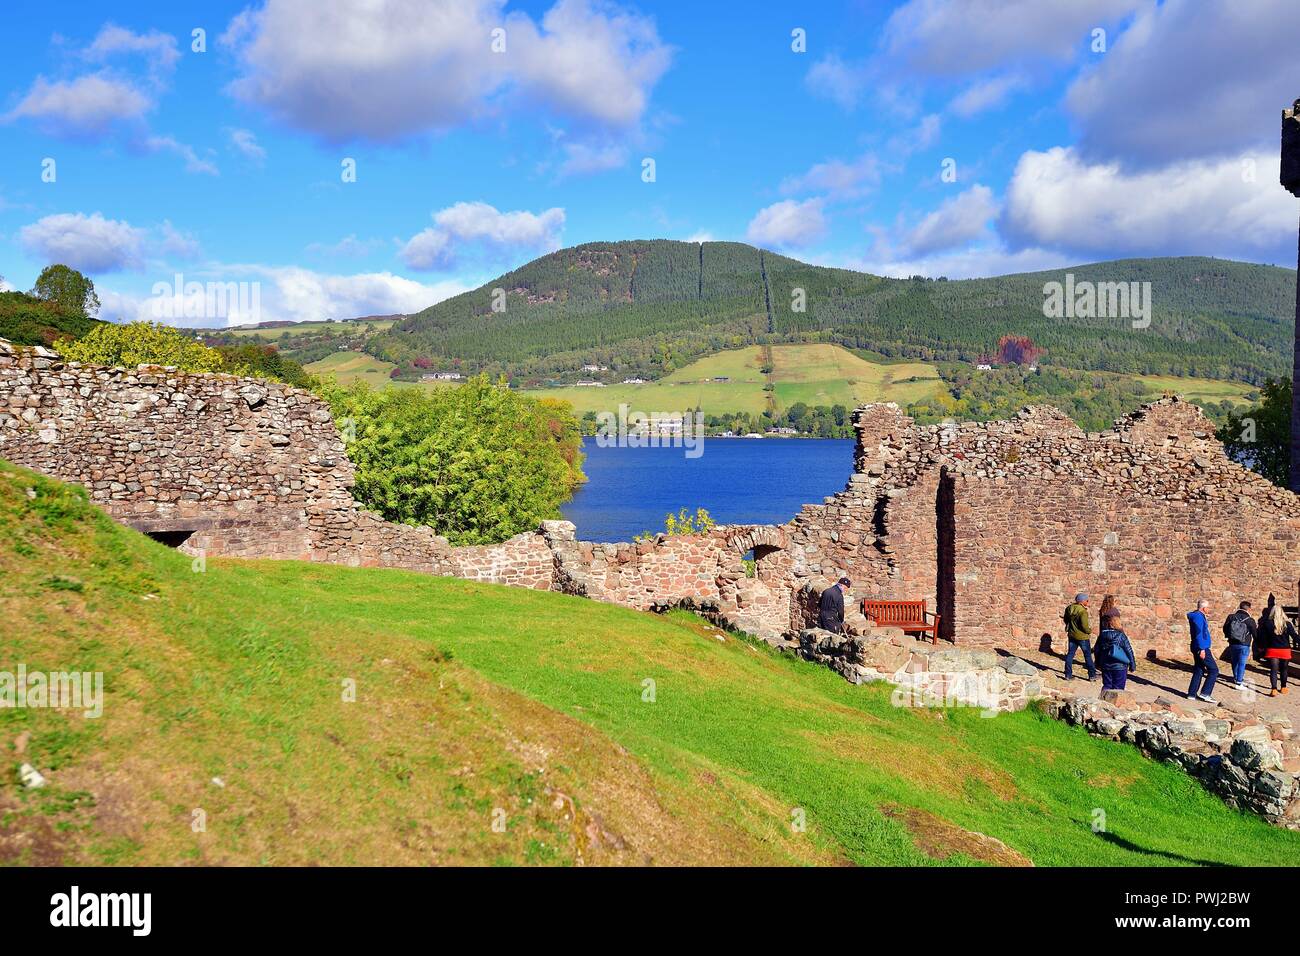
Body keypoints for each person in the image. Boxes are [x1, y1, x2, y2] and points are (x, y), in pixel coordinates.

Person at [1257, 595, 1299, 697]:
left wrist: (1261, 646)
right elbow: (1295, 636)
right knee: (1284, 669)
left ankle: (1274, 689)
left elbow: (1263, 637)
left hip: (1272, 649)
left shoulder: (1267, 623)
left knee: (1274, 670)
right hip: (1285, 650)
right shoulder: (1287, 624)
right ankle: (1283, 687)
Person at [1093, 611, 1137, 691]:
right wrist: (1132, 664)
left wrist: (1097, 662)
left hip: (1106, 664)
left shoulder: (1102, 635)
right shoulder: (1121, 636)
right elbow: (1128, 650)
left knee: (1107, 686)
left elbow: (1097, 650)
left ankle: (1104, 702)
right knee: (1118, 688)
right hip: (1119, 665)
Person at [1186, 598, 1219, 703]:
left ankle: (1192, 694)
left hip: (1199, 646)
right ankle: (1206, 693)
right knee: (1214, 670)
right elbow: (1199, 634)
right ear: (1204, 608)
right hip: (1201, 647)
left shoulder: (1199, 616)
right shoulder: (1198, 618)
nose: (1209, 609)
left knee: (1199, 669)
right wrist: (1202, 649)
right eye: (1208, 607)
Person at [1221, 600, 1256, 689]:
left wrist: (1229, 637)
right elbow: (1255, 633)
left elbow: (1225, 628)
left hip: (1232, 643)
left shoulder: (1231, 617)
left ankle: (1236, 678)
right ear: (1249, 609)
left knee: (1235, 662)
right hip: (1244, 644)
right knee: (1242, 663)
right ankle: (1239, 683)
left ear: (1240, 607)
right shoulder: (1250, 620)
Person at [1063, 592, 1096, 681]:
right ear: (1082, 601)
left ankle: (1068, 675)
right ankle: (1092, 675)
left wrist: (1072, 627)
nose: (1088, 602)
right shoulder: (1082, 611)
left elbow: (1066, 620)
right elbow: (1084, 626)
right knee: (1088, 656)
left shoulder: (1069, 608)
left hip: (1072, 635)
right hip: (1082, 637)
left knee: (1070, 655)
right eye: (1087, 600)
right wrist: (1089, 631)